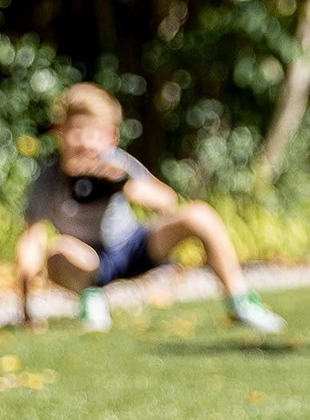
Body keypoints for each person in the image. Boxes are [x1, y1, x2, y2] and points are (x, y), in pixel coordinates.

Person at [14, 82, 285, 334]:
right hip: (88, 263)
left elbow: (167, 201)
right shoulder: (48, 178)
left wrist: (122, 185)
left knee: (200, 214)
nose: (85, 142)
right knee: (57, 250)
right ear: (60, 133)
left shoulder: (116, 163)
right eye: (76, 132)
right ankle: (90, 296)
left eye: (93, 133)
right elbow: (32, 239)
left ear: (111, 137)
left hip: (132, 247)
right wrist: (27, 309)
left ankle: (240, 301)